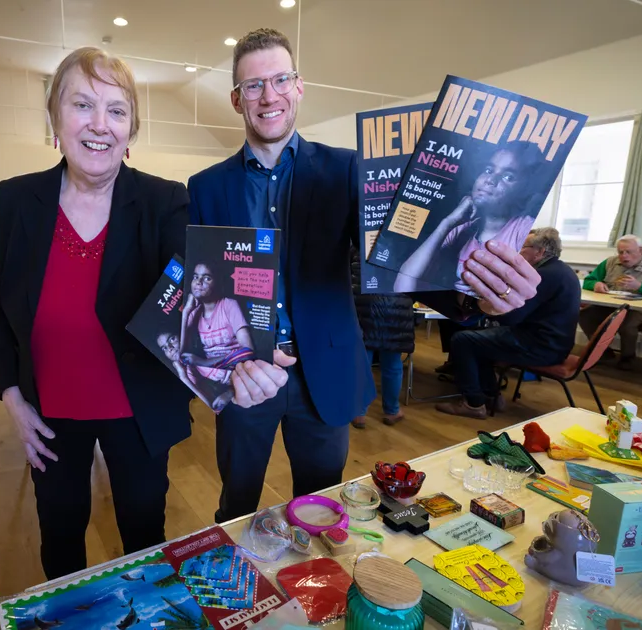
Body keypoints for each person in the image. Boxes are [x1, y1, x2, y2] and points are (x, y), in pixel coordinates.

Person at [187, 28, 544, 522]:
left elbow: (394, 257)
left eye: (279, 80)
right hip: (247, 376)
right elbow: (203, 286)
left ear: (298, 86)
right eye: (252, 86)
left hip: (325, 374)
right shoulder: (206, 187)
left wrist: (475, 299)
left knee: (321, 509)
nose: (268, 96)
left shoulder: (348, 170)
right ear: (236, 99)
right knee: (236, 503)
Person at [0, 47, 288, 580]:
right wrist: (11, 395)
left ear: (132, 129)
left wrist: (244, 359)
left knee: (145, 538)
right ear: (55, 116)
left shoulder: (164, 201)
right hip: (49, 416)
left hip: (137, 414)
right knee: (59, 536)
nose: (100, 125)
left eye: (117, 110)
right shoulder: (16, 201)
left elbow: (199, 295)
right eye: (82, 105)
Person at [435, 227, 581, 419]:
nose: (518, 251)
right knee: (478, 341)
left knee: (462, 340)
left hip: (540, 347)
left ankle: (473, 403)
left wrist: (486, 306)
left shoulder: (544, 275)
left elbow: (511, 317)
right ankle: (491, 396)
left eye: (523, 247)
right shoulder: (562, 270)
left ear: (540, 252)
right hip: (553, 344)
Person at [395, 142, 550, 294]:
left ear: (524, 190)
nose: (490, 180)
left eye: (508, 176)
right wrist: (446, 223)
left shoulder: (523, 228)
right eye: (489, 170)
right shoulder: (461, 229)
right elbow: (403, 285)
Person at [580, 234, 642, 369]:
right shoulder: (609, 262)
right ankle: (603, 353)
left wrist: (640, 287)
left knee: (626, 323)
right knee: (585, 315)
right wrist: (595, 285)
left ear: (641, 250)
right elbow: (589, 281)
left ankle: (628, 358)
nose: (624, 256)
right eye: (620, 252)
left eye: (628, 252)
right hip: (612, 304)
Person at [350, 246, 413, 428]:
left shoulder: (362, 234)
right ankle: (392, 411)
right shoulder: (405, 243)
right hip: (397, 308)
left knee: (363, 363)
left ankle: (359, 412)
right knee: (393, 365)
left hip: (364, 305)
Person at [179, 261, 257, 372]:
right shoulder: (193, 312)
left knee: (245, 354)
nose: (198, 282)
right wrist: (186, 312)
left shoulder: (229, 304)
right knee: (181, 364)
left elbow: (248, 350)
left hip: (234, 367)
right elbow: (180, 354)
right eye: (195, 277)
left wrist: (203, 362)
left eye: (207, 278)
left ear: (217, 283)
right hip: (211, 372)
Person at [156, 331, 232, 412]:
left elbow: (238, 358)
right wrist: (184, 379)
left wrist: (230, 393)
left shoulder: (205, 347)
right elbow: (211, 410)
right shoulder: (185, 374)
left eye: (172, 339)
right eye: (164, 348)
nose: (170, 348)